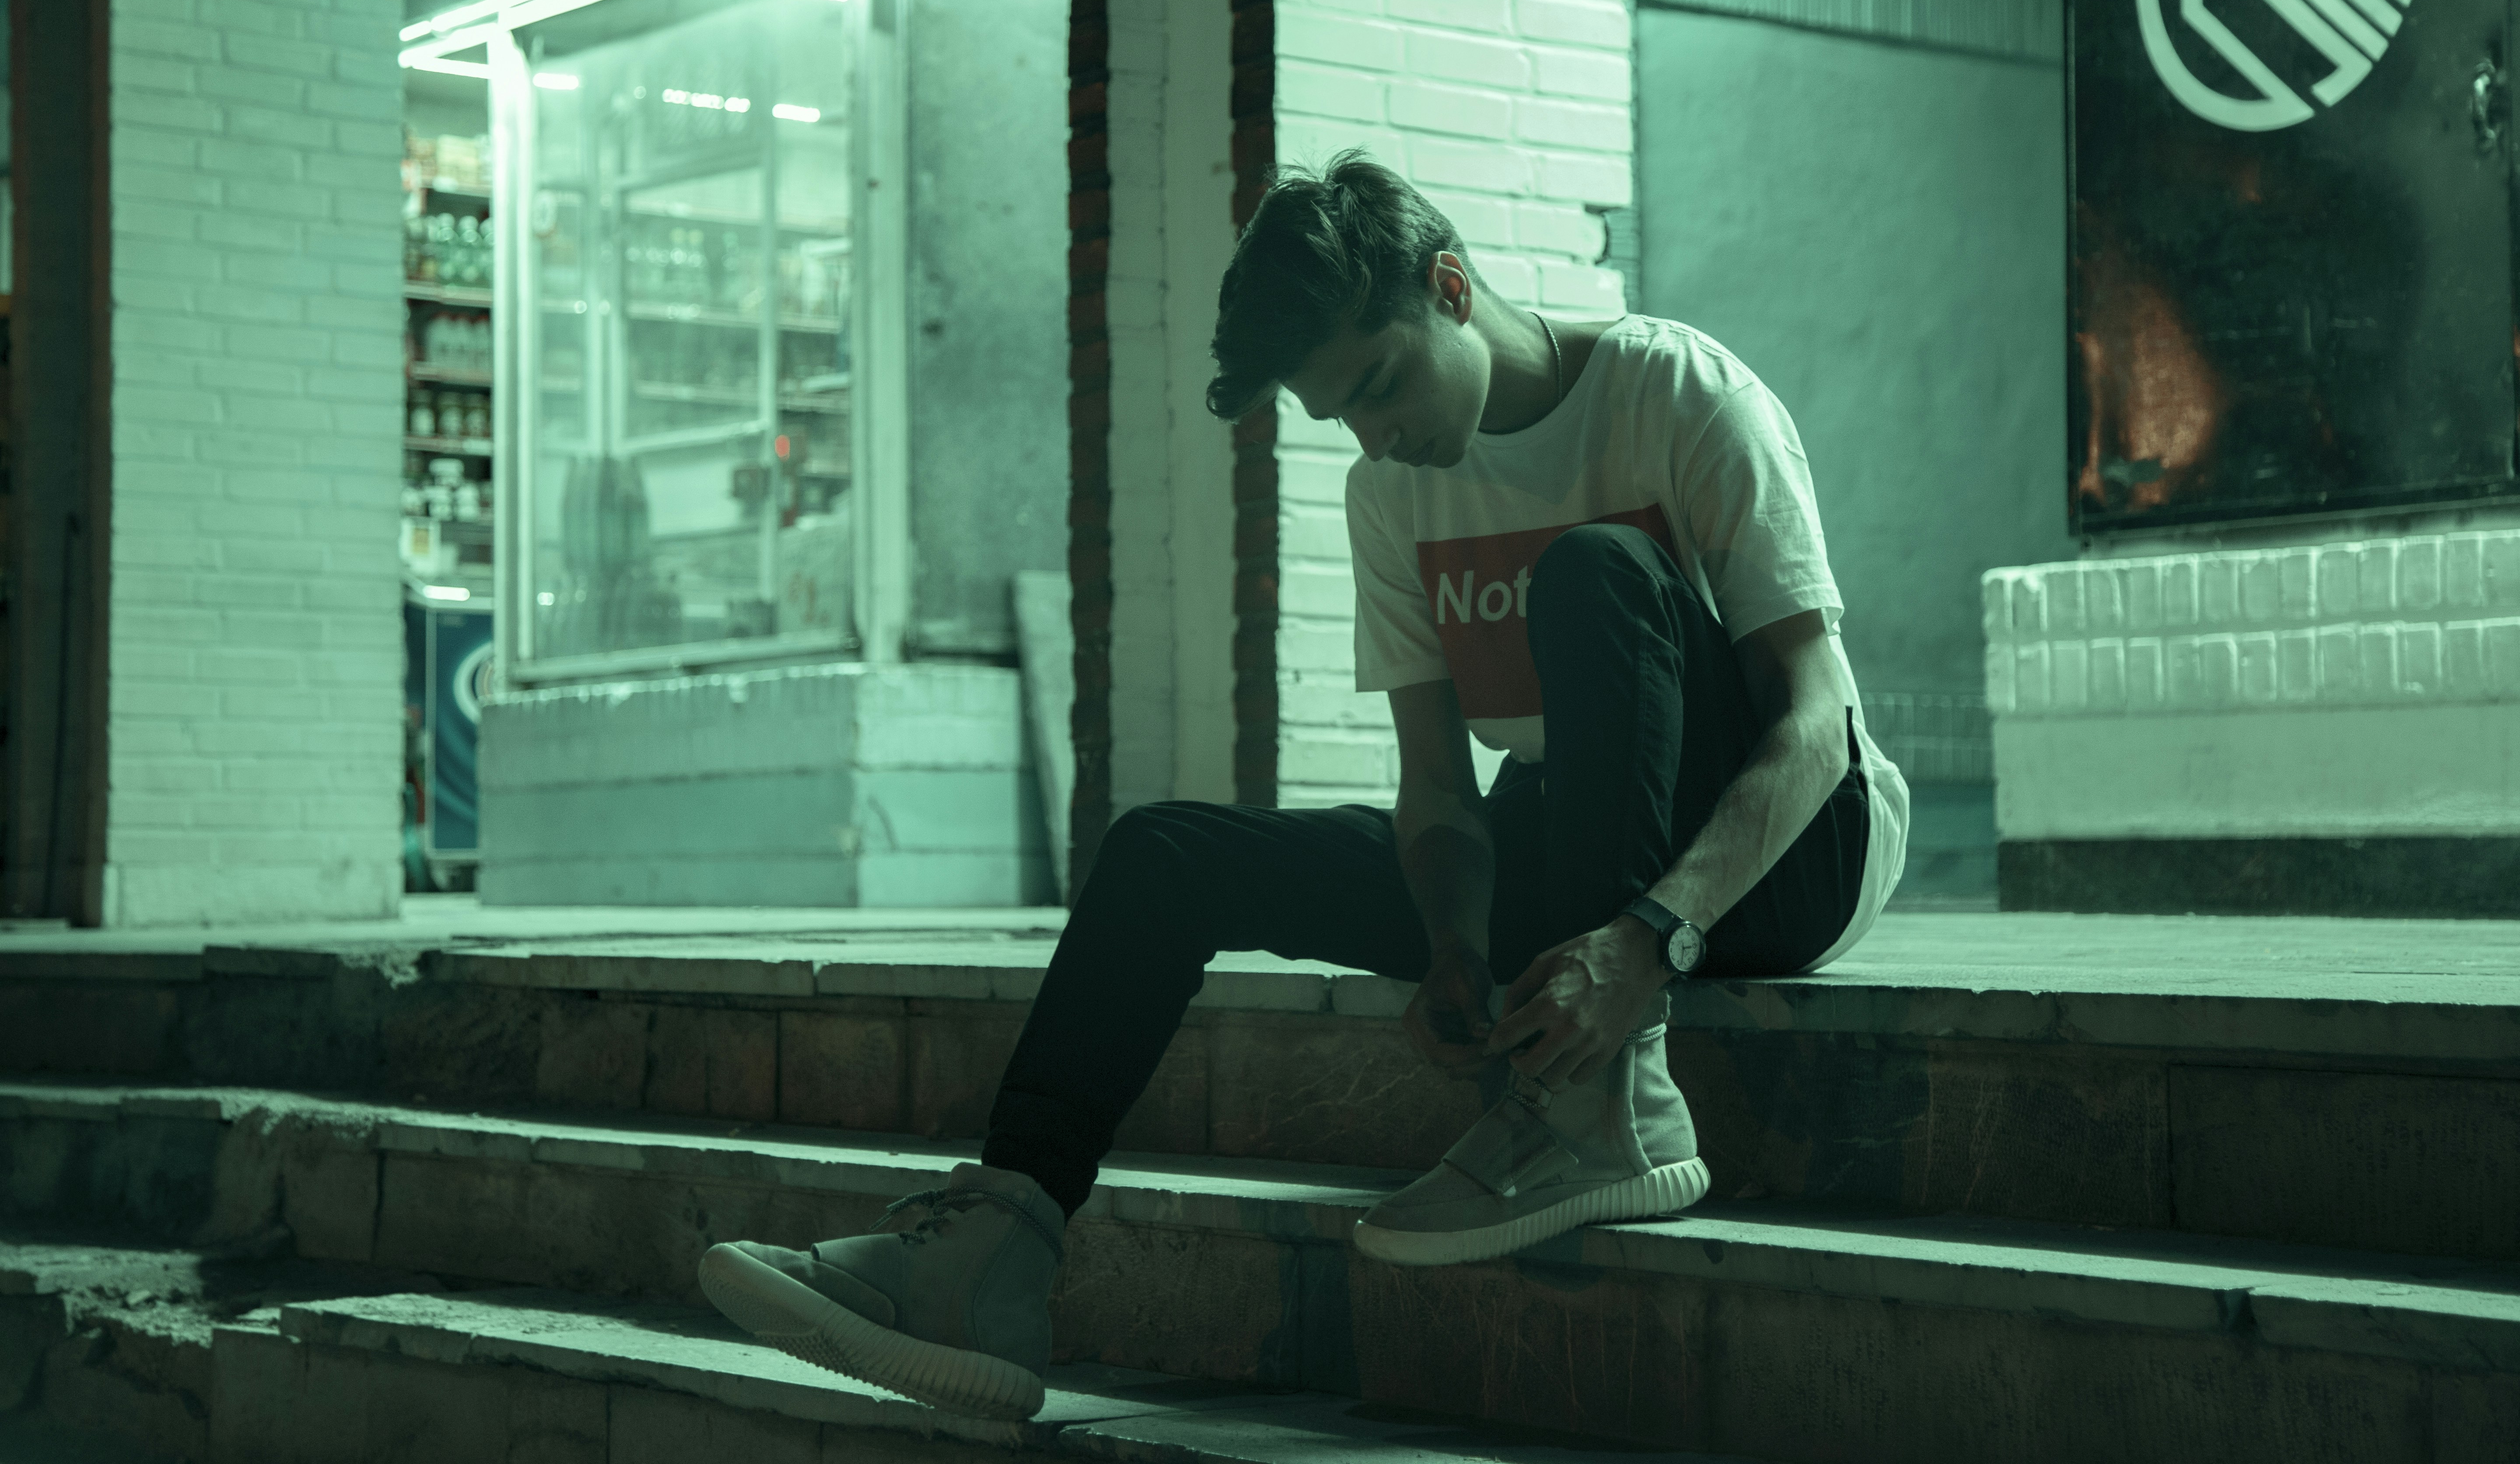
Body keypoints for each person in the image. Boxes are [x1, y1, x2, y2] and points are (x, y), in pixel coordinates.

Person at [696, 152, 1912, 1420]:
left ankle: (1604, 1106)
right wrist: (1451, 944)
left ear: (1450, 286)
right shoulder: (1391, 495)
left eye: (1382, 384)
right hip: (1582, 855)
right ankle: (995, 1254)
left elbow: (1817, 719)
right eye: (1346, 418)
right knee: (1167, 850)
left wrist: (1651, 941)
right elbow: (1439, 790)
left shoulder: (1672, 390)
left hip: (1781, 857)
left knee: (1596, 572)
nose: (1380, 437)